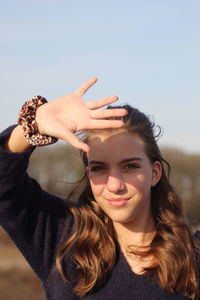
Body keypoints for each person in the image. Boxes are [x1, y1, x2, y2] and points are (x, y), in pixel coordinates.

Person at [0, 77, 199, 300]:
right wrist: (34, 124)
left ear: (155, 173)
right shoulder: (61, 237)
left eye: (130, 166)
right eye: (99, 169)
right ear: (88, 174)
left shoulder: (193, 258)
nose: (114, 185)